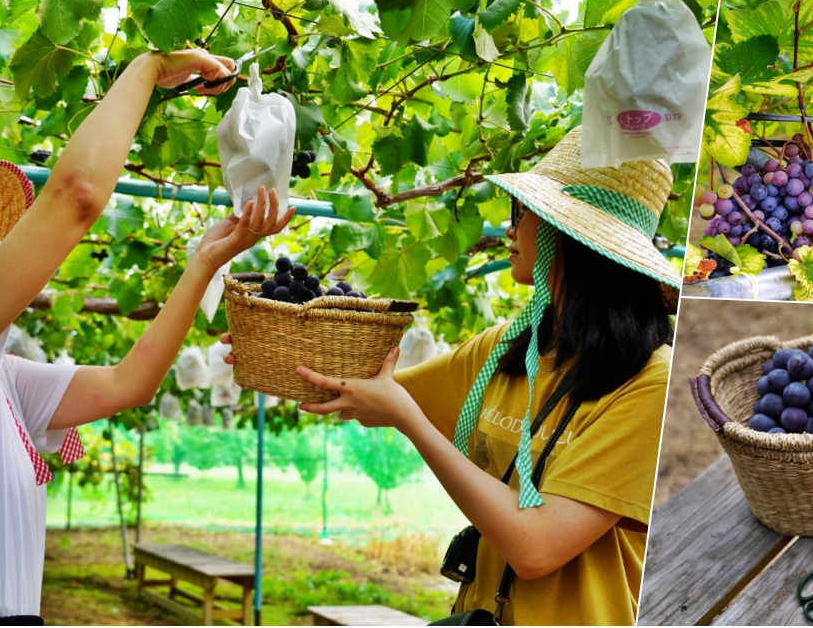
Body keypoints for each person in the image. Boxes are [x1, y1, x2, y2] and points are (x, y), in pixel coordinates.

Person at [221, 127, 679, 624]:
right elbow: (363, 391)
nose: (510, 227)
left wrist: (409, 423)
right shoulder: (507, 349)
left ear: (566, 235)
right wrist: (274, 341)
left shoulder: (649, 385)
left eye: (523, 213)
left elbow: (536, 547)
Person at [0, 49, 296, 626]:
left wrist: (203, 264)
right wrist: (148, 69)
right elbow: (77, 196)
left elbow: (130, 383)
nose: (1, 245)